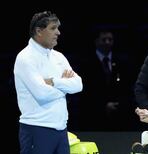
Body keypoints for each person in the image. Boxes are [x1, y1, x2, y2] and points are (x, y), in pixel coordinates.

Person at [14, 11, 83, 154]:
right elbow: (42, 94)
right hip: (36, 130)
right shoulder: (25, 58)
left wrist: (54, 82)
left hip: (61, 131)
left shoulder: (59, 56)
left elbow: (78, 85)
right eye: (53, 28)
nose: (58, 32)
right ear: (39, 31)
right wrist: (65, 85)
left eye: (58, 28)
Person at [78, 30, 136, 131]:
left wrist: (119, 104)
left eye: (110, 39)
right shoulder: (86, 63)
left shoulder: (122, 62)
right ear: (96, 42)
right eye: (104, 39)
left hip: (119, 113)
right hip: (94, 114)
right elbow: (86, 91)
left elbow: (127, 87)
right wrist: (103, 105)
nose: (107, 42)